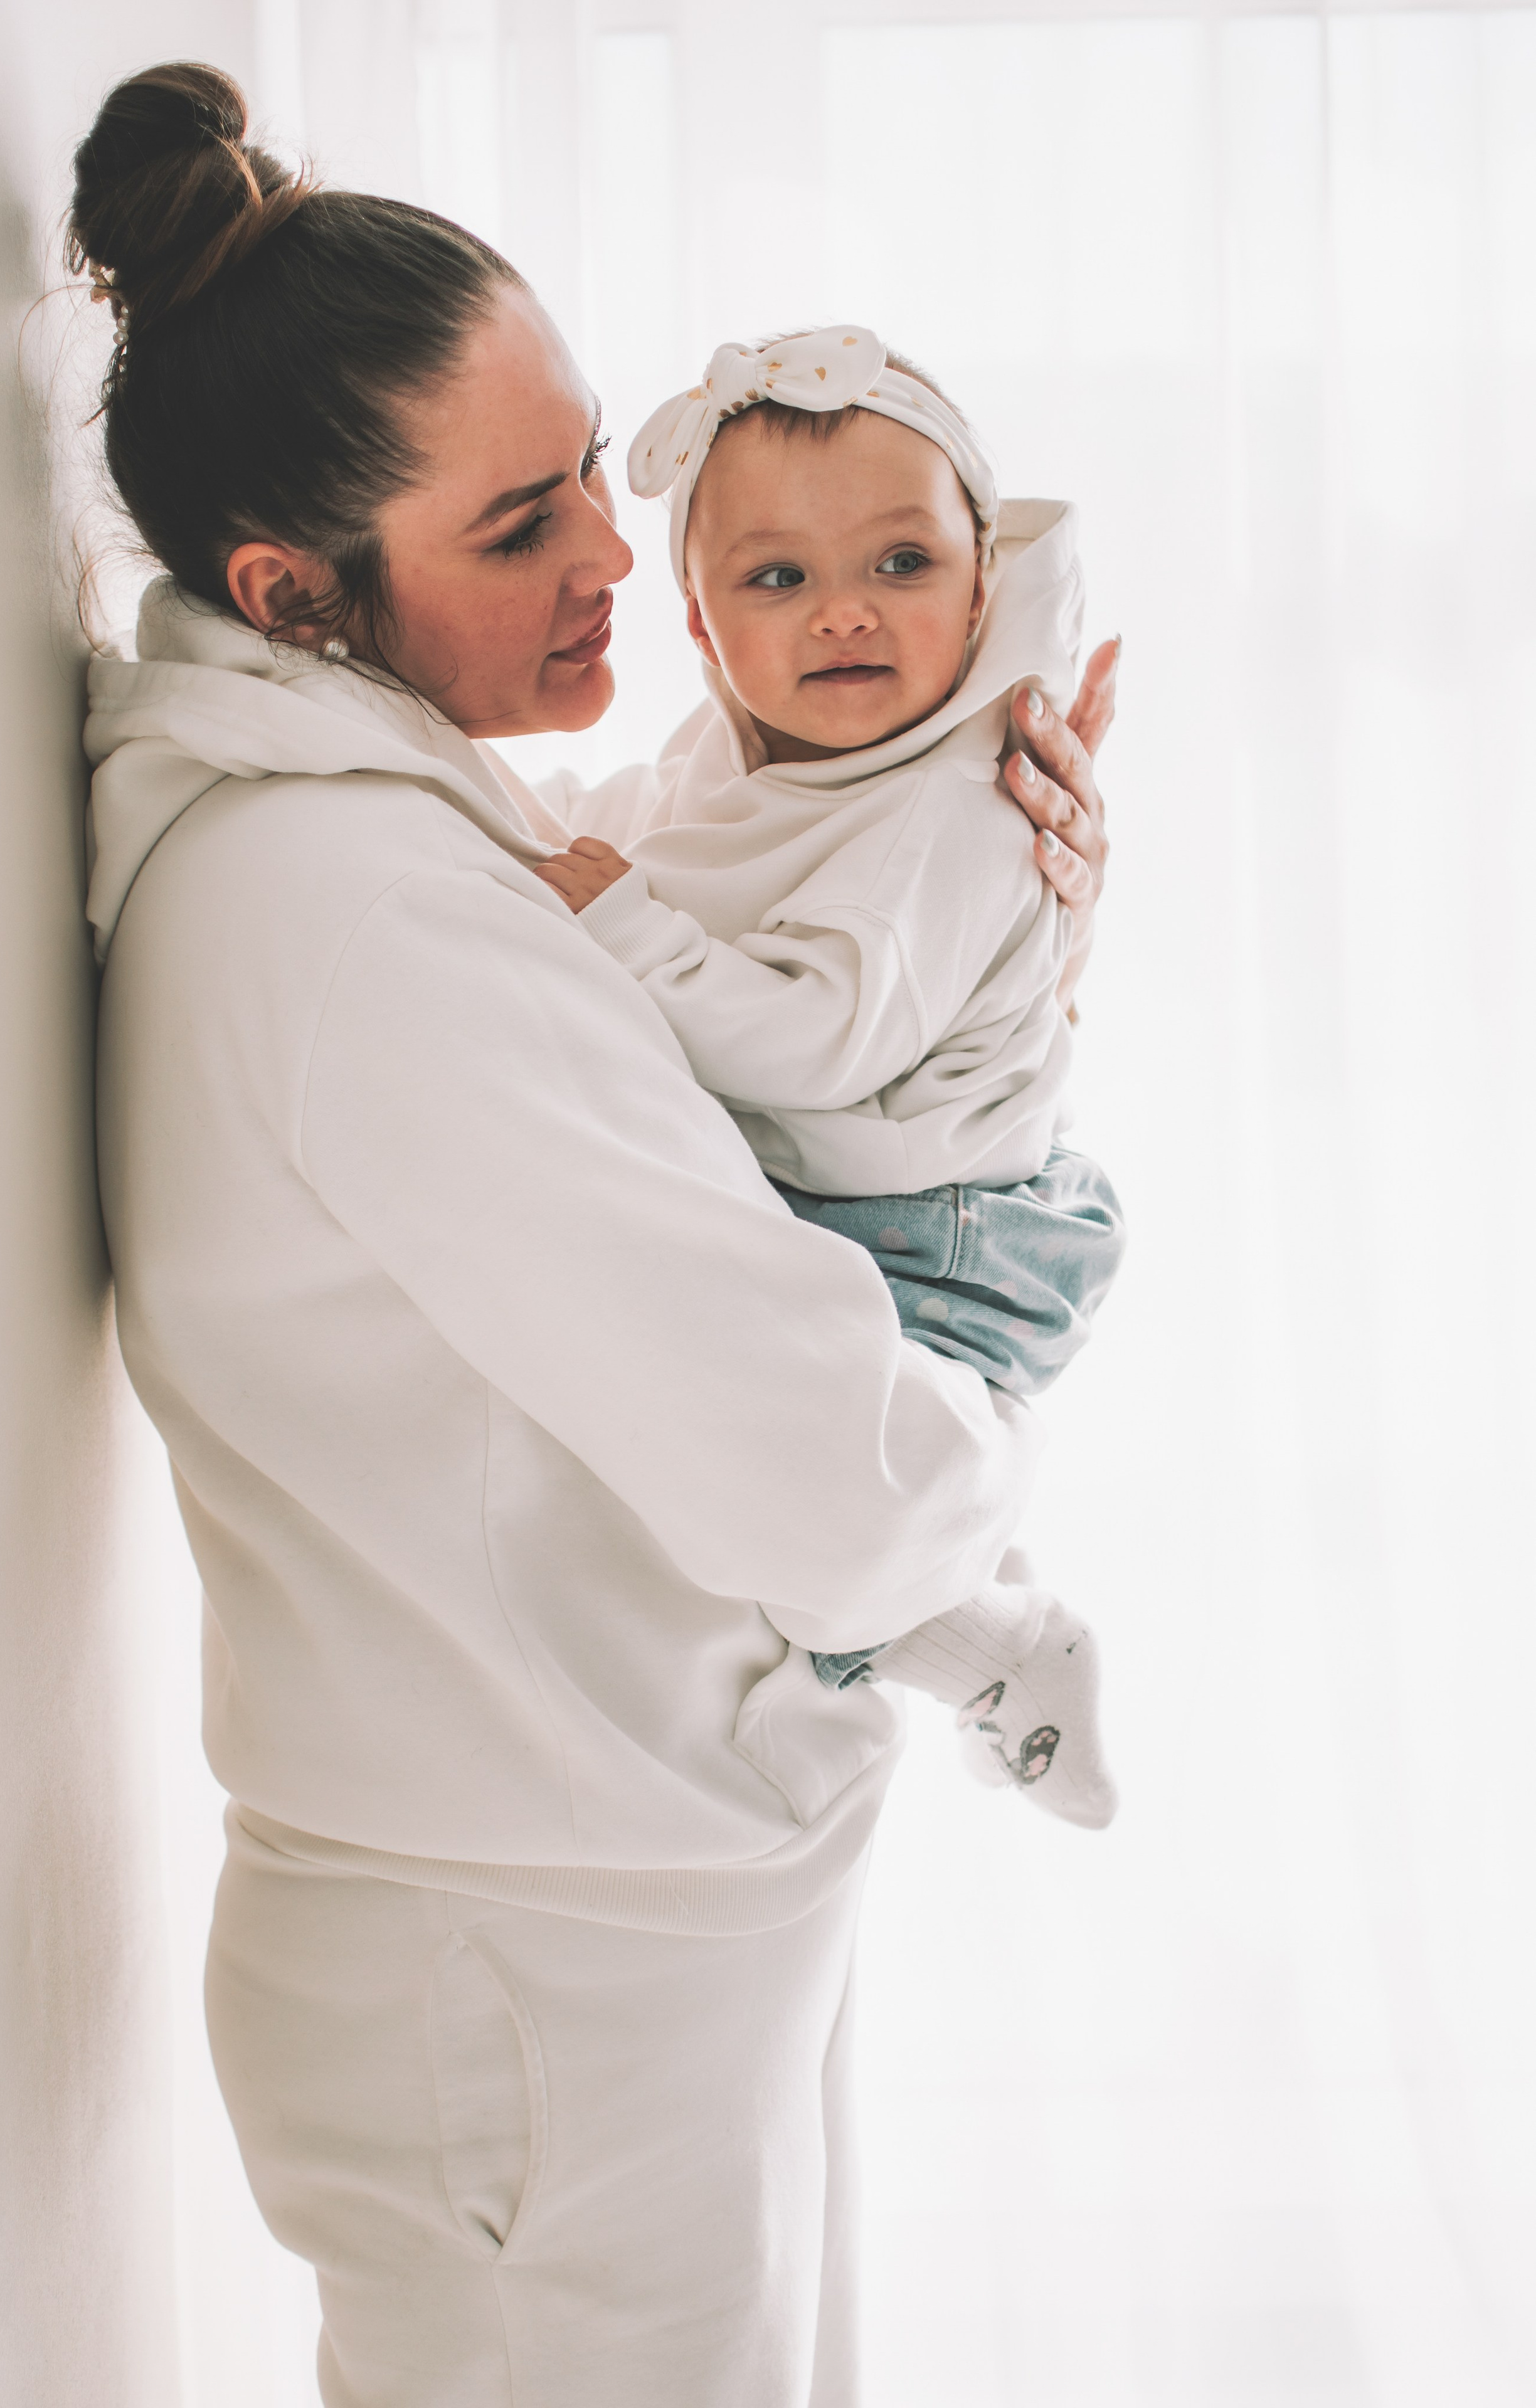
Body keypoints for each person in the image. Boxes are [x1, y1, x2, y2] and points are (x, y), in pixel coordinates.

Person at [70, 59, 1118, 2408]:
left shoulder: (388, 826)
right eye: (527, 519)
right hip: (539, 1959)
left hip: (581, 1913)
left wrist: (988, 929)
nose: (616, 564)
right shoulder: (350, 911)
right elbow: (796, 1438)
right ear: (296, 594)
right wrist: (978, 1411)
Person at [533, 325, 1123, 1827]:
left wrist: (620, 930)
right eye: (776, 579)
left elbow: (821, 1038)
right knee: (773, 1474)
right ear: (701, 623)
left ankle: (996, 1648)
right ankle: (985, 1619)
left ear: (982, 580)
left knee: (787, 1512)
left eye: (901, 565)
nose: (843, 615)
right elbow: (660, 826)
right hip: (882, 1196)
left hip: (940, 1230)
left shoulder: (954, 806)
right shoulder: (757, 752)